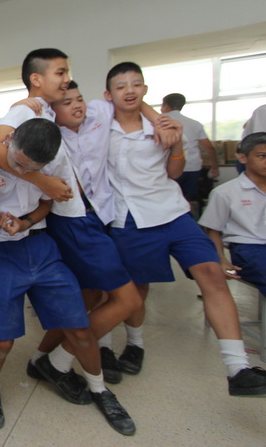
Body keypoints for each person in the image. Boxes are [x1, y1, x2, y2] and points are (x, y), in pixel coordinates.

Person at [103, 61, 266, 397]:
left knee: (212, 273)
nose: (130, 90)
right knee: (137, 291)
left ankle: (237, 368)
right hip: (131, 218)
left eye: (136, 84)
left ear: (145, 89)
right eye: (121, 86)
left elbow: (174, 174)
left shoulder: (164, 126)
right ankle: (135, 344)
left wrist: (175, 143)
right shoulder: (101, 126)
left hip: (174, 213)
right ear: (108, 95)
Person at [0, 117, 135, 436]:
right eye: (18, 163)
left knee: (79, 329)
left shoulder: (51, 168)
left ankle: (99, 389)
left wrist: (26, 222)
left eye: (32, 168)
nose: (22, 171)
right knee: (2, 340)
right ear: (10, 141)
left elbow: (46, 203)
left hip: (40, 247)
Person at [199, 132, 266, 298]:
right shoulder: (225, 192)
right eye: (262, 156)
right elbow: (213, 230)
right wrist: (220, 260)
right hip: (249, 248)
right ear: (242, 158)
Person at [161, 93, 220, 203]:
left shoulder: (158, 122)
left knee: (167, 199)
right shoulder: (194, 124)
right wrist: (215, 167)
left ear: (166, 106)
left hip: (168, 167)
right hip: (192, 167)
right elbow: (209, 147)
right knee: (188, 200)